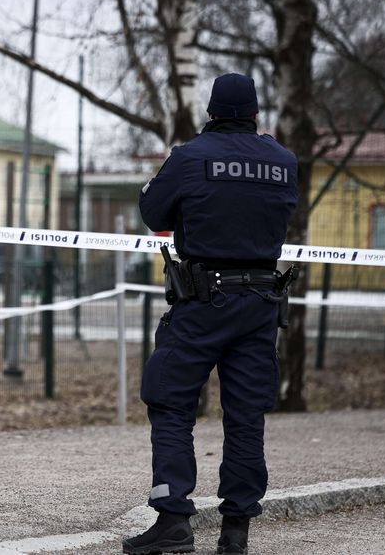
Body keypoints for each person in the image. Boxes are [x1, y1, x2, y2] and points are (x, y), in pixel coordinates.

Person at [122, 73, 298, 555]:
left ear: (212, 111)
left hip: (203, 302)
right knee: (245, 415)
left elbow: (154, 213)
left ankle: (174, 518)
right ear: (256, 112)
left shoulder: (190, 156)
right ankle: (236, 531)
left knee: (170, 400)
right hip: (262, 304)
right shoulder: (283, 161)